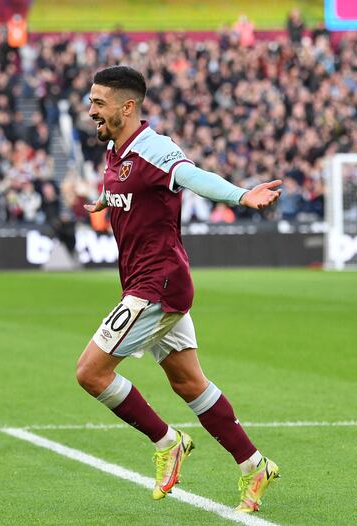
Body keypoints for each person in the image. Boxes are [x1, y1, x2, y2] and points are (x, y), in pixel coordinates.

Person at [77, 66, 281, 513]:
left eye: (98, 103)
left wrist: (242, 195)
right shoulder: (116, 146)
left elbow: (193, 177)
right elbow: (130, 187)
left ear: (126, 107)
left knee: (91, 373)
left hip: (157, 285)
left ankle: (167, 442)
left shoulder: (155, 148)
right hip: (145, 281)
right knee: (189, 383)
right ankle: (254, 465)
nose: (90, 109)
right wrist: (105, 200)